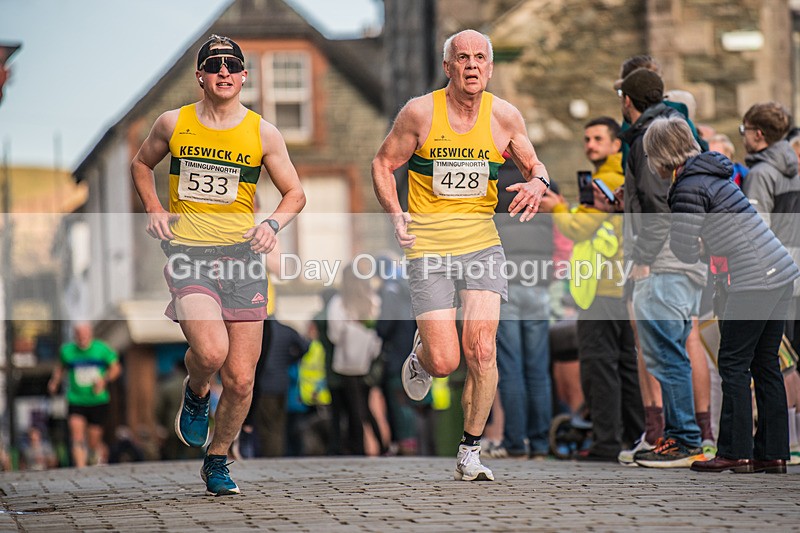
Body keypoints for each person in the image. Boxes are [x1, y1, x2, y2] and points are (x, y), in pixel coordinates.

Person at [130, 34, 306, 495]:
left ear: (244, 76)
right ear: (201, 76)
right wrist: (153, 206)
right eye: (214, 64)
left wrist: (272, 225)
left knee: (243, 379)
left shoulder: (263, 132)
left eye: (232, 65)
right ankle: (196, 389)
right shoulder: (174, 123)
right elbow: (141, 164)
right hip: (190, 255)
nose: (224, 71)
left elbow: (296, 193)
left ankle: (218, 458)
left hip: (244, 259)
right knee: (210, 352)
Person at [371, 29, 550, 481]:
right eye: (462, 58)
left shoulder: (504, 116)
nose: (472, 66)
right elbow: (382, 164)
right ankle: (422, 356)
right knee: (446, 360)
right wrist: (396, 214)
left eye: (480, 58)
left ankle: (470, 451)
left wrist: (537, 182)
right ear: (447, 66)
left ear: (489, 68)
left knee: (483, 349)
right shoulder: (419, 113)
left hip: (482, 244)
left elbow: (535, 163)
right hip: (428, 244)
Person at [643, 115, 799, 473]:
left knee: (733, 363)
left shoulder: (687, 187)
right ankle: (773, 454)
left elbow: (683, 248)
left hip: (751, 280)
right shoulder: (713, 176)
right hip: (778, 274)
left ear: (660, 154)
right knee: (765, 365)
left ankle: (734, 451)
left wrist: (700, 247)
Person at [618, 68, 708, 467]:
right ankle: (681, 436)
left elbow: (659, 209)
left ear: (626, 100)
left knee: (667, 352)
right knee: (671, 349)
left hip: (663, 261)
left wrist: (641, 260)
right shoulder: (677, 126)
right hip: (680, 259)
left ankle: (684, 438)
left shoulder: (654, 136)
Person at [544, 116, 644, 461]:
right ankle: (634, 437)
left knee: (599, 366)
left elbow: (579, 227)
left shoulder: (605, 181)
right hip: (619, 287)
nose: (590, 145)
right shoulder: (623, 177)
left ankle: (606, 443)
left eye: (598, 138)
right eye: (587, 139)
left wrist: (556, 206)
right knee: (625, 367)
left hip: (599, 289)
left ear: (617, 144)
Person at [493, 158, 554, 459]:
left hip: (507, 284)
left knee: (511, 367)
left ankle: (515, 442)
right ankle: (541, 444)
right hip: (540, 284)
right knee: (539, 369)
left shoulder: (490, 182)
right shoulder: (543, 183)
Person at [48, 323, 121, 468]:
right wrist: (55, 381)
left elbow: (116, 368)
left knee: (93, 440)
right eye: (79, 335)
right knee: (77, 436)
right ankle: (81, 469)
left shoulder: (102, 349)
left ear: (90, 334)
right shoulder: (67, 351)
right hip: (76, 399)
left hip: (97, 400)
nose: (82, 339)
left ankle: (95, 455)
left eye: (85, 335)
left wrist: (104, 380)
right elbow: (60, 368)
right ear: (75, 336)